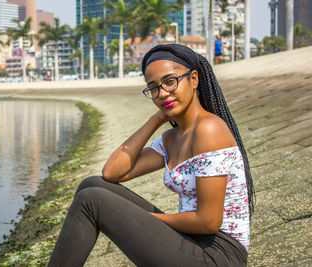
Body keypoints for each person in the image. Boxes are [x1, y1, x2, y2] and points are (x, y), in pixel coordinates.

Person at [48, 44, 254, 266]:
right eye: (153, 88)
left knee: (92, 201)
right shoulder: (172, 139)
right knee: (91, 185)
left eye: (170, 81)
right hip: (193, 241)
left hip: (218, 255)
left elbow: (208, 222)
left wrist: (147, 220)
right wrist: (156, 119)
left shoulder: (209, 130)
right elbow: (112, 173)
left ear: (193, 79)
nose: (162, 93)